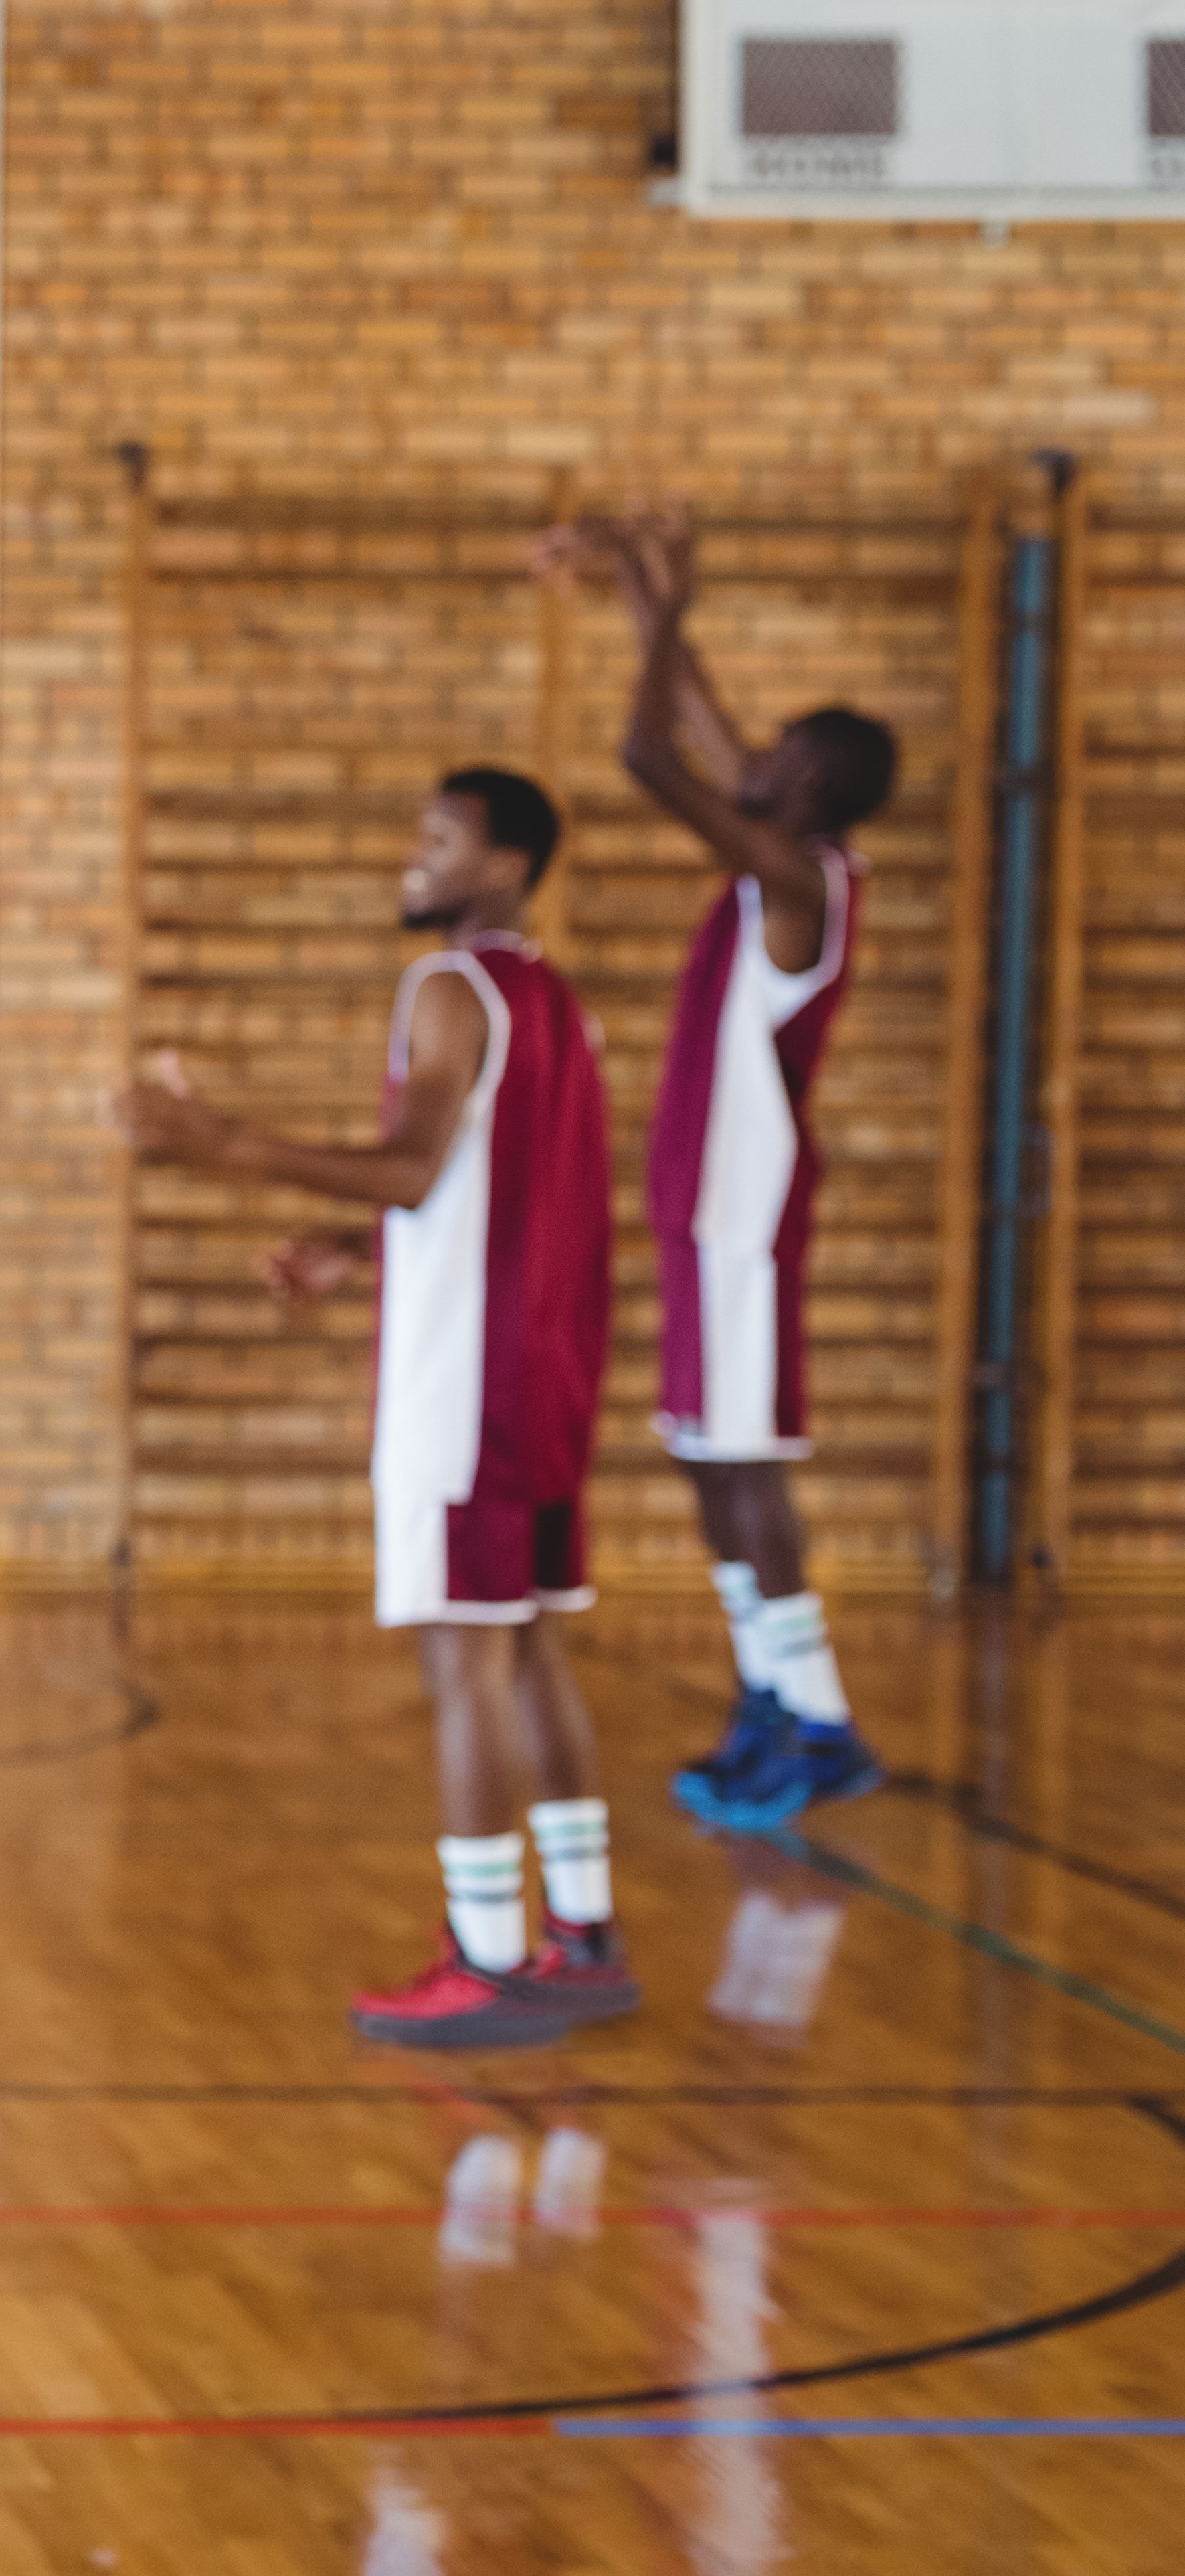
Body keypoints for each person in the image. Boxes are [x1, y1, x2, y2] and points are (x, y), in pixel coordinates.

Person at [112, 770, 634, 2049]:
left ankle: (489, 1958)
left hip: (469, 1384)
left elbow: (414, 1167)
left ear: (505, 865)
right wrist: (359, 1244)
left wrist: (221, 1141)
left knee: (464, 1661)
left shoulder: (449, 988)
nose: (414, 856)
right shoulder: (554, 1000)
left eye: (439, 838)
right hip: (547, 1371)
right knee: (530, 1646)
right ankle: (582, 1935)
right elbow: (487, 1181)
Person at [537, 505, 901, 1832]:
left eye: (778, 752)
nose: (751, 754)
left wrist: (673, 605)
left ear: (810, 788)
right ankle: (771, 1692)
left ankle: (819, 1722)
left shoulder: (800, 883)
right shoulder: (785, 854)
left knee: (744, 1468)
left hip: (745, 1214)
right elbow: (698, 723)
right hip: (708, 1211)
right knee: (705, 1458)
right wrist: (642, 585)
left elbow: (650, 752)